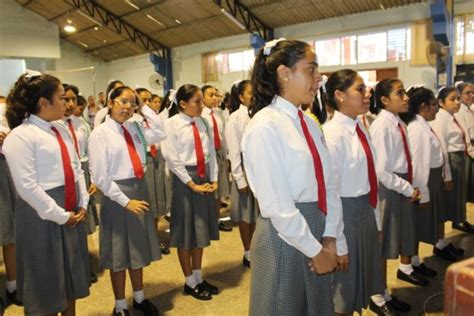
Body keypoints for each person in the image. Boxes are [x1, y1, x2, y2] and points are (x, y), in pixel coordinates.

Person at [242, 38, 346, 315]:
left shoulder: (309, 124)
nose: (319, 78)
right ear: (284, 74)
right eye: (311, 70)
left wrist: (331, 237)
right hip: (285, 239)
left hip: (317, 232)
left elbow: (329, 185)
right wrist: (316, 250)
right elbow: (277, 206)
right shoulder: (264, 126)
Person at [3, 72, 91, 315]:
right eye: (62, 98)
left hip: (69, 207)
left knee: (70, 279)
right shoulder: (21, 136)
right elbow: (27, 188)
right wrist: (61, 215)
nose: (68, 103)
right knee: (46, 284)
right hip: (40, 215)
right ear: (43, 103)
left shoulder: (60, 129)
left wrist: (82, 201)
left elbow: (76, 167)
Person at [88, 85, 166, 315]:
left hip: (139, 189)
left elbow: (161, 132)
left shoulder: (135, 129)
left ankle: (139, 298)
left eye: (132, 103)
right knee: (119, 253)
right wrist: (125, 201)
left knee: (138, 249)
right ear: (110, 102)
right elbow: (100, 177)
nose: (127, 107)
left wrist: (144, 108)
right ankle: (120, 304)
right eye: (123, 101)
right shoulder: (100, 134)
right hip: (117, 196)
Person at [323, 69, 387, 315]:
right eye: (359, 89)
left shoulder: (360, 127)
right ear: (339, 95)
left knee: (358, 284)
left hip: (364, 212)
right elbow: (331, 193)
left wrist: (376, 221)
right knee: (343, 292)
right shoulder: (333, 134)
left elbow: (370, 179)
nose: (367, 94)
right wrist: (338, 244)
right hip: (345, 216)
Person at [161, 84, 220, 301]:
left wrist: (214, 179)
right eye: (197, 101)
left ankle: (198, 276)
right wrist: (191, 183)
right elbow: (172, 157)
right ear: (183, 104)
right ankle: (189, 281)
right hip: (184, 181)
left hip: (203, 177)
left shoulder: (203, 121)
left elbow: (211, 152)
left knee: (200, 230)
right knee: (186, 233)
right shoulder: (171, 124)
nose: (201, 104)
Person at [369, 78, 423, 313]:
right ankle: (377, 297)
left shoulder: (397, 122)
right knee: (382, 246)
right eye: (399, 93)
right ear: (384, 100)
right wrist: (407, 188)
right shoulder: (382, 126)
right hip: (390, 189)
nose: (406, 97)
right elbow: (381, 171)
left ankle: (385, 293)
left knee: (394, 241)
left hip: (399, 185)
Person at [431, 86, 474, 235]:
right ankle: (442, 237)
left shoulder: (452, 117)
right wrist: (446, 173)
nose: (457, 102)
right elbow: (442, 147)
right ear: (441, 102)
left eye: (457, 99)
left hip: (460, 158)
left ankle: (459, 220)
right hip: (451, 159)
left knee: (459, 195)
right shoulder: (440, 119)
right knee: (449, 199)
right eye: (452, 99)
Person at [225, 80, 259, 268]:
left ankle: (258, 248)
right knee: (246, 216)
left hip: (259, 169)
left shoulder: (259, 114)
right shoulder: (235, 118)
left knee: (258, 214)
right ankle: (248, 253)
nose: (253, 97)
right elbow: (233, 151)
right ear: (240, 97)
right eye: (249, 93)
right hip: (245, 170)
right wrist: (239, 179)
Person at [201, 85, 232, 232]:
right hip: (207, 156)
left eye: (216, 95)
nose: (214, 98)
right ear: (202, 97)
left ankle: (217, 220)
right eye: (210, 95)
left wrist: (226, 155)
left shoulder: (218, 114)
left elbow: (223, 136)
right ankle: (207, 222)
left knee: (219, 189)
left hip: (219, 153)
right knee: (208, 190)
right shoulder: (200, 115)